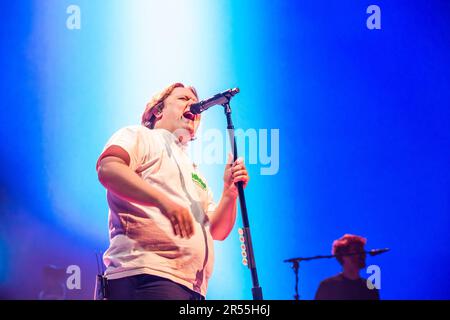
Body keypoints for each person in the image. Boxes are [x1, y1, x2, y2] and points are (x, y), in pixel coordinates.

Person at [96, 83, 249, 300]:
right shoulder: (140, 136)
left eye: (194, 101)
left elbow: (217, 231)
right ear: (158, 110)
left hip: (192, 289)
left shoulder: (196, 173)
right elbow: (108, 168)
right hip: (146, 276)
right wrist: (162, 201)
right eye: (183, 98)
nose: (193, 104)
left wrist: (229, 193)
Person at [314, 234, 380, 300]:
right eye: (356, 251)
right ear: (343, 256)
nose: (363, 255)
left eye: (363, 251)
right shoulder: (328, 286)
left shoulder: (370, 288)